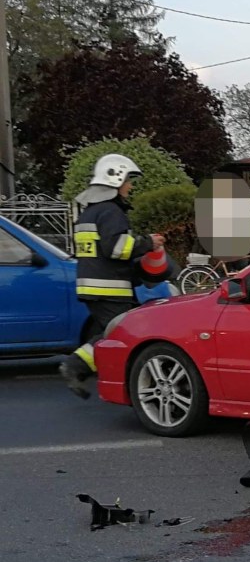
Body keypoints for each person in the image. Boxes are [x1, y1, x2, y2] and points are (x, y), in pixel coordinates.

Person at [59, 154, 163, 399]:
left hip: (92, 287)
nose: (130, 185)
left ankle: (82, 366)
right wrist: (148, 242)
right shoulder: (110, 211)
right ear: (115, 178)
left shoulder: (90, 213)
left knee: (107, 333)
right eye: (128, 180)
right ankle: (77, 366)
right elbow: (116, 248)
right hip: (110, 288)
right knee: (121, 332)